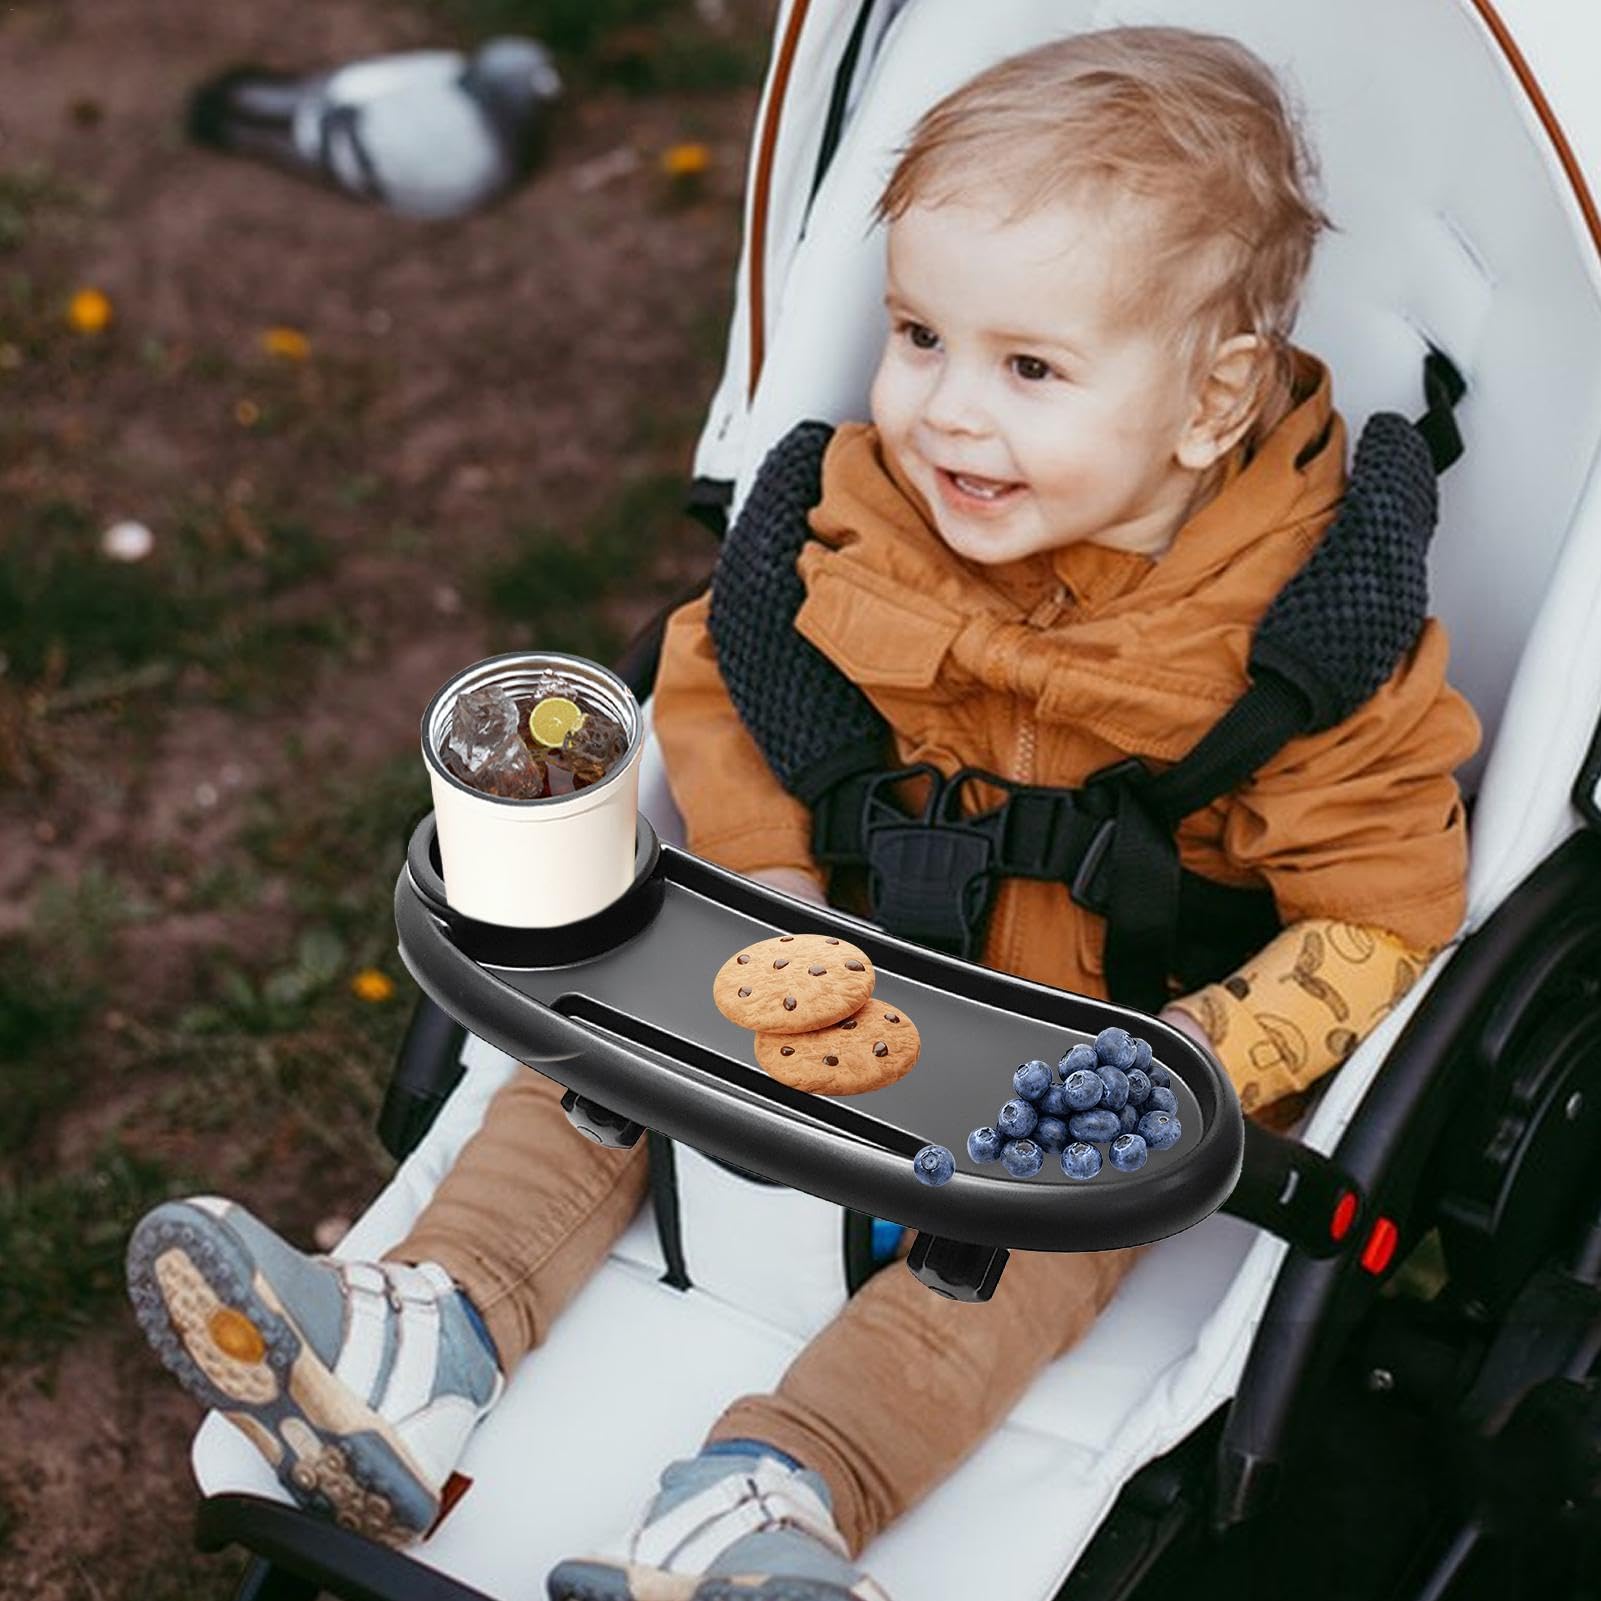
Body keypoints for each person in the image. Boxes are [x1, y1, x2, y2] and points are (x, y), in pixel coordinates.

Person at [125, 28, 1480, 1601]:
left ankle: (772, 1497)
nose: (946, 414)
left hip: (1069, 1060)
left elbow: (1379, 904)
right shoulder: (862, 516)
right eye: (916, 335)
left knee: (1010, 1263)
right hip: (821, 952)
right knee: (603, 1064)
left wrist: (1189, 1064)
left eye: (1028, 368)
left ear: (1208, 399)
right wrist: (771, 888)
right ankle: (426, 1324)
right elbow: (724, 683)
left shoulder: (1301, 637)